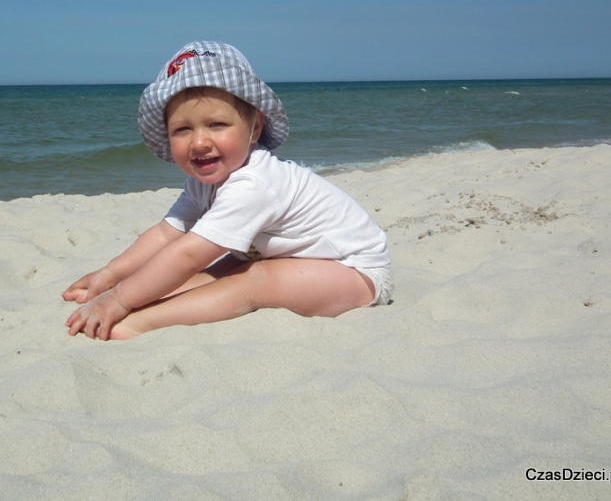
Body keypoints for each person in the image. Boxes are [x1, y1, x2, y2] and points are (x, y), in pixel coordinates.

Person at [63, 41, 392, 340]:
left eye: (217, 124)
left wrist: (118, 302)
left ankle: (142, 324)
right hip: (291, 260)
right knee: (214, 273)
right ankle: (143, 306)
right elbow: (166, 235)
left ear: (255, 128)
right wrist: (110, 278)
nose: (200, 141)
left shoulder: (254, 183)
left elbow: (188, 253)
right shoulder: (201, 185)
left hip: (354, 273)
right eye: (182, 129)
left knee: (256, 278)